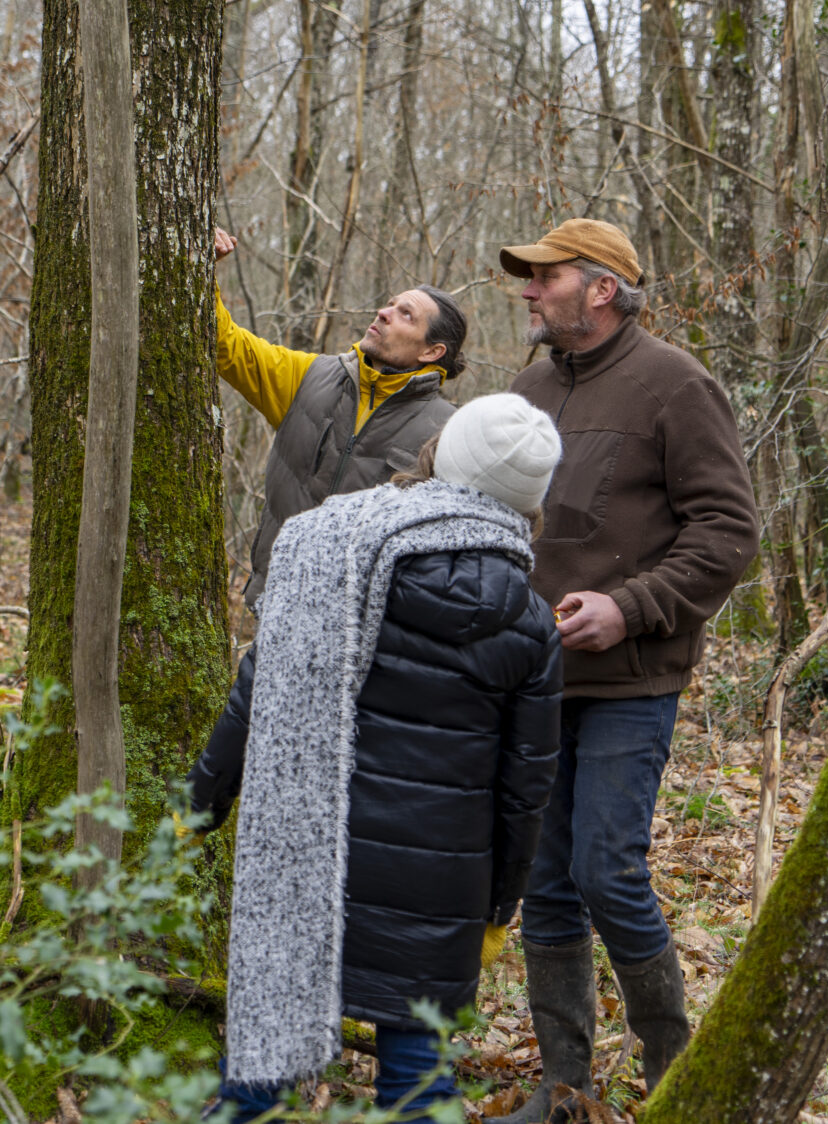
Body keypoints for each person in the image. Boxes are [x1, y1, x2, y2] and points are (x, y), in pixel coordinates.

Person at [186, 393, 564, 1121]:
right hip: (442, 887)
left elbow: (257, 692)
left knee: (255, 1084)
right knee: (418, 1085)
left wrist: (202, 801)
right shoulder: (529, 619)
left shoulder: (327, 546)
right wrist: (497, 906)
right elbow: (527, 787)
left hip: (304, 859)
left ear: (440, 456)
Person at [496, 217, 759, 1115]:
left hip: (632, 681)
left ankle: (672, 1070)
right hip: (533, 679)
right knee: (544, 880)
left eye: (545, 277)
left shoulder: (676, 385)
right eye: (526, 279)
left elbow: (728, 529)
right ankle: (564, 1084)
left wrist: (631, 606)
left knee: (607, 869)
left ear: (601, 288)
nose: (528, 291)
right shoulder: (528, 387)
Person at [213, 228, 467, 604]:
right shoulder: (309, 376)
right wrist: (204, 271)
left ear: (432, 352)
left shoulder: (448, 434)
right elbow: (225, 345)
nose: (384, 312)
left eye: (405, 314)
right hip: (275, 606)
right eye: (390, 304)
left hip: (365, 633)